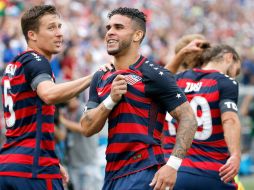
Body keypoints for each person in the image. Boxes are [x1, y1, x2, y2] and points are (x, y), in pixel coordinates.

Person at [80, 7, 198, 190]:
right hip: (112, 173)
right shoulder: (100, 77)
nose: (110, 32)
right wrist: (111, 100)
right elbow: (87, 128)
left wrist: (173, 165)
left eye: (118, 27)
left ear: (137, 35)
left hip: (144, 170)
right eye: (108, 27)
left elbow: (188, 118)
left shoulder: (154, 73)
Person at [0, 5, 92, 190]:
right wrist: (93, 77)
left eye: (59, 26)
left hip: (8, 165)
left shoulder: (15, 64)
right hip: (33, 169)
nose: (59, 33)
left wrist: (54, 161)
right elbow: (48, 94)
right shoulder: (37, 60)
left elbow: (27, 123)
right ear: (32, 34)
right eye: (51, 28)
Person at [163, 44, 242, 189]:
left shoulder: (177, 79)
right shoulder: (225, 82)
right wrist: (235, 155)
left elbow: (158, 80)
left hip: (169, 171)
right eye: (235, 70)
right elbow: (229, 119)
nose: (233, 75)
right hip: (211, 173)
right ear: (229, 57)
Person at [59, 96, 102, 190]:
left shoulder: (86, 109)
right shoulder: (64, 112)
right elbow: (61, 136)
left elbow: (83, 128)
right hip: (74, 163)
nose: (67, 101)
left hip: (89, 162)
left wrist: (63, 121)